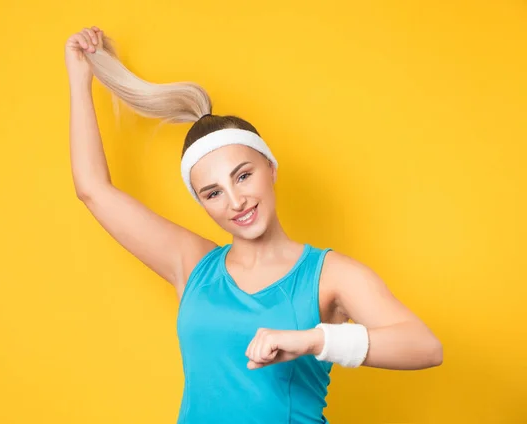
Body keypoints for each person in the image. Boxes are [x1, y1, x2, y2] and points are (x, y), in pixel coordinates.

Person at [64, 26, 443, 424]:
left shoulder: (329, 275)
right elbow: (93, 190)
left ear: (271, 168)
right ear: (203, 204)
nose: (236, 201)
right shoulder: (194, 265)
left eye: (243, 176)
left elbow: (424, 347)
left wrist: (314, 341)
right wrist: (80, 75)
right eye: (213, 193)